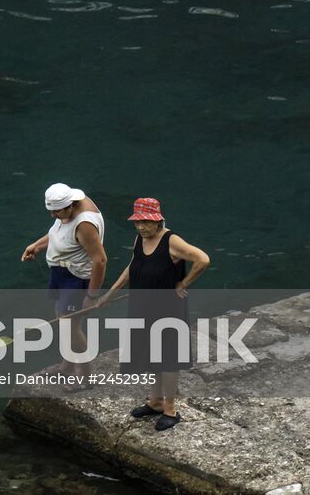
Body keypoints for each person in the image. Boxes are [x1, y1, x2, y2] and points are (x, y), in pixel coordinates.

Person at [100, 197, 210, 432]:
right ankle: (155, 401)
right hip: (143, 306)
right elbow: (133, 265)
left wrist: (184, 283)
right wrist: (109, 294)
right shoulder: (141, 238)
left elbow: (202, 259)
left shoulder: (172, 241)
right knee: (149, 353)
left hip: (168, 308)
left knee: (168, 358)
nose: (141, 227)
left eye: (146, 222)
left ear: (158, 220)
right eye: (137, 222)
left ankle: (170, 408)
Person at [20, 182, 107, 380]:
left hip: (75, 280)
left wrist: (92, 296)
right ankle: (67, 366)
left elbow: (100, 260)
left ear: (71, 205)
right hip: (62, 274)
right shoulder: (69, 205)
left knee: (71, 328)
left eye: (57, 212)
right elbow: (59, 232)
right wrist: (37, 245)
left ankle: (86, 377)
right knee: (65, 323)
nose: (53, 216)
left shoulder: (84, 225)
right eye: (50, 211)